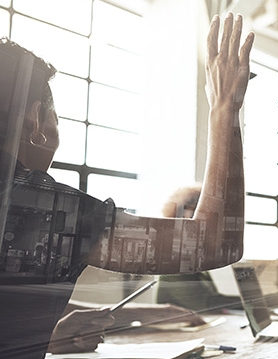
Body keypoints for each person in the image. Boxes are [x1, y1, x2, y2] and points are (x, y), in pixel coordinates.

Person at [0, 13, 254, 359]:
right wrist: (225, 107)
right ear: (35, 122)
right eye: (56, 117)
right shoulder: (44, 207)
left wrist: (50, 331)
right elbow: (217, 241)